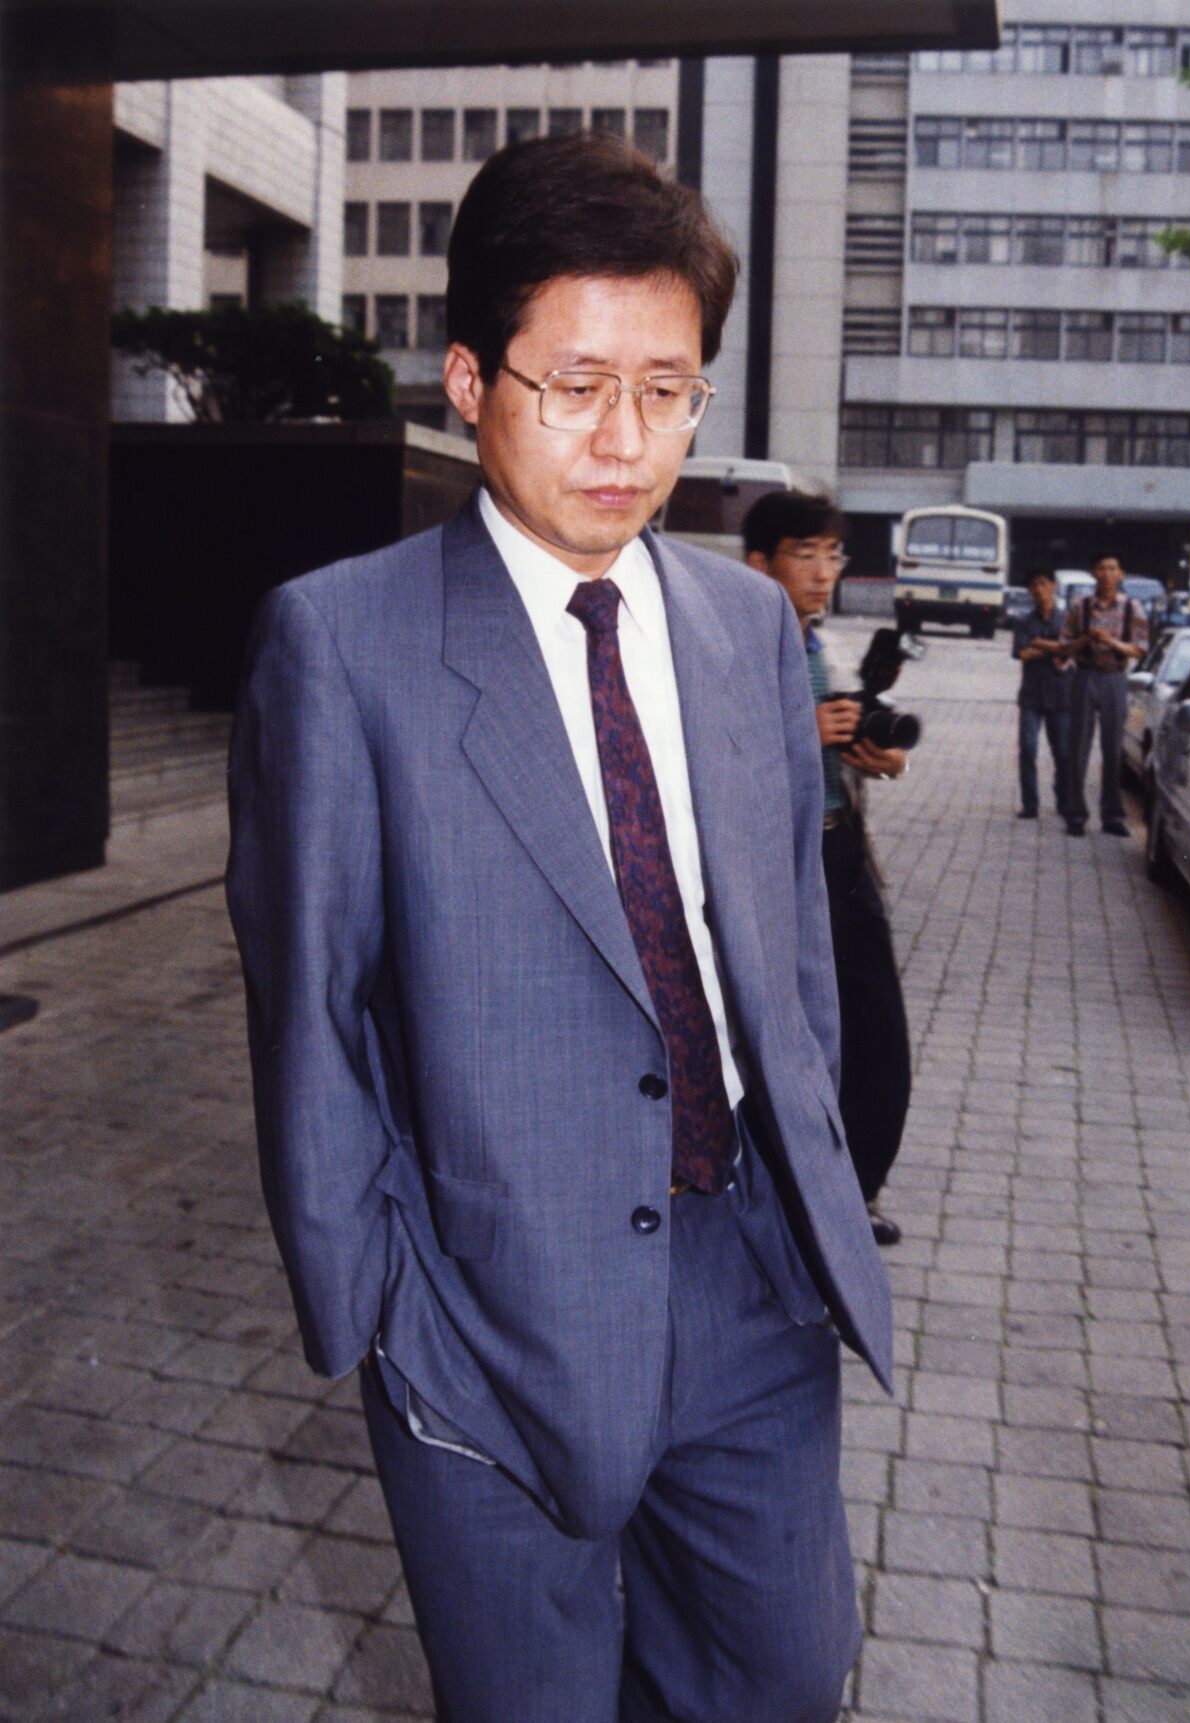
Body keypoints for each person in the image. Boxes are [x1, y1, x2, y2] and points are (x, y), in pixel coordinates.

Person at [226, 132, 891, 1723]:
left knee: (782, 1677)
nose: (624, 438)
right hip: (487, 1305)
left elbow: (793, 952)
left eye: (667, 388)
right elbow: (310, 1011)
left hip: (749, 1283)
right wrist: (385, 1306)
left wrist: (809, 1194)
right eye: (576, 383)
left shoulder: (746, 624)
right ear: (470, 379)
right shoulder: (344, 644)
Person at [743, 491, 911, 1249]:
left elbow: (853, 747)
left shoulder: (823, 648)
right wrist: (798, 731)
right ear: (760, 563)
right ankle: (786, 1200)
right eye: (805, 554)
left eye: (833, 554)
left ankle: (855, 1189)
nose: (823, 571)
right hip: (771, 863)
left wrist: (882, 756)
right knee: (793, 1036)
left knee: (878, 1033)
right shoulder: (730, 648)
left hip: (840, 854)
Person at [1060, 550, 1148, 836]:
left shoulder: (1132, 607)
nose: (1107, 574)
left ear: (1121, 574)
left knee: (1113, 750)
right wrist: (1085, 639)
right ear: (1093, 572)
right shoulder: (1080, 607)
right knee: (1078, 747)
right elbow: (1064, 647)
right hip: (1084, 676)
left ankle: (1112, 817)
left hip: (1115, 678)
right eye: (1101, 568)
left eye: (1112, 568)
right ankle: (1075, 815)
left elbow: (1140, 648)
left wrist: (1112, 643)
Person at [1011, 563, 1072, 821]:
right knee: (1027, 749)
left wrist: (1039, 644)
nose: (1039, 589)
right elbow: (1021, 653)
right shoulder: (1024, 621)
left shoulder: (1068, 620)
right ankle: (1030, 804)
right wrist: (1054, 647)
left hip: (1062, 696)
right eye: (1034, 585)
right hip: (1031, 697)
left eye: (1043, 583)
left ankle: (1064, 800)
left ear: (1053, 586)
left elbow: (1072, 650)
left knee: (1063, 753)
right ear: (1028, 590)